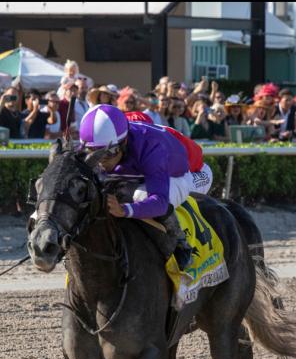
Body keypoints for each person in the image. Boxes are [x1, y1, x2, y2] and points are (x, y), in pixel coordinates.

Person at [79, 104, 213, 268]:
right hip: (146, 169)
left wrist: (124, 210)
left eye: (108, 153)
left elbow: (159, 201)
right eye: (93, 153)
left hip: (193, 174)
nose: (101, 161)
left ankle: (179, 243)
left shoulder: (152, 148)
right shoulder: (108, 138)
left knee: (141, 196)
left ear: (124, 142)